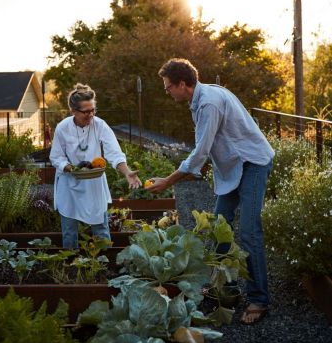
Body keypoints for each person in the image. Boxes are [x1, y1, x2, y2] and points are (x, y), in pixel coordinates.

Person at [146, 58, 274, 325]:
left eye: (168, 87)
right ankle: (224, 288)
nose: (167, 91)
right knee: (220, 229)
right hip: (235, 164)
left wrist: (168, 181)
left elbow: (200, 153)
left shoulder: (208, 102)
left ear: (183, 84)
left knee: (249, 231)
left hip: (252, 163)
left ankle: (259, 299)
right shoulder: (201, 99)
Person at [50, 83, 141, 249]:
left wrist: (127, 172)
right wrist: (72, 168)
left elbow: (114, 152)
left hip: (94, 183)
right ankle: (71, 268)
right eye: (86, 111)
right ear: (73, 111)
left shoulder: (100, 125)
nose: (91, 114)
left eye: (93, 110)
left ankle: (105, 266)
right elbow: (56, 157)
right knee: (70, 231)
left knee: (100, 227)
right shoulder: (63, 127)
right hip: (69, 184)